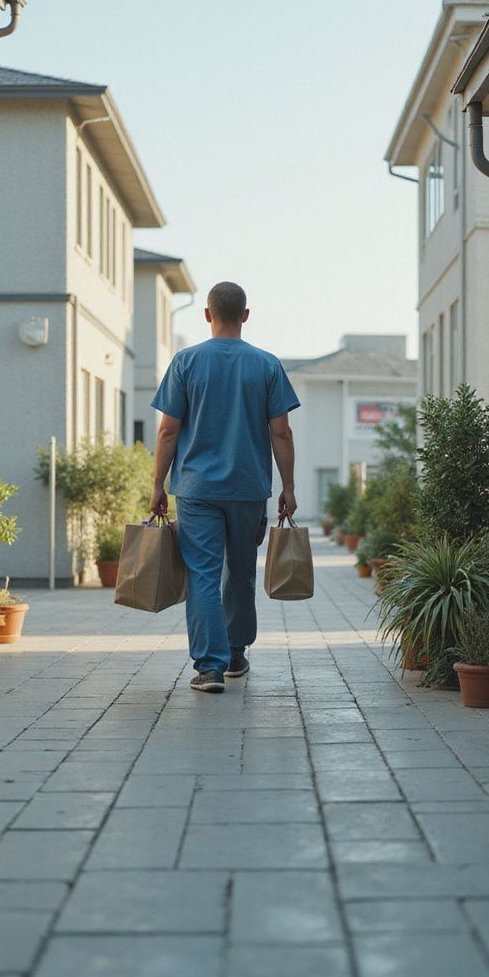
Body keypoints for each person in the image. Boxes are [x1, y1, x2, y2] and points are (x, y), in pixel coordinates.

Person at [150, 281, 300, 693]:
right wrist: (288, 486)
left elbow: (167, 433)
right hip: (249, 488)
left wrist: (158, 485)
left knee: (203, 574)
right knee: (238, 574)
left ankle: (209, 668)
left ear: (207, 314)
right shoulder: (267, 365)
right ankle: (235, 654)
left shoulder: (185, 362)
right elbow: (281, 433)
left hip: (196, 490)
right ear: (246, 316)